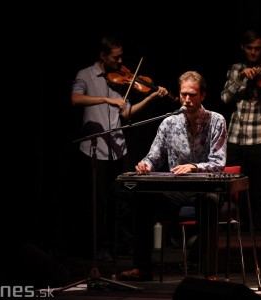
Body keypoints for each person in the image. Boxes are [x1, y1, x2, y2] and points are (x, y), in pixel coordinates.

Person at [118, 70, 228, 281]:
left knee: (210, 203)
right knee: (141, 199)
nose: (187, 99)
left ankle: (209, 273)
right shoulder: (169, 122)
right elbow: (153, 156)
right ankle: (142, 268)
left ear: (202, 95)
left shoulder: (216, 121)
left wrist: (194, 167)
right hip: (176, 190)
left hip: (203, 189)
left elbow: (217, 164)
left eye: (192, 95)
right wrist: (145, 165)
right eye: (183, 94)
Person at [70, 35, 169, 259]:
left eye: (121, 56)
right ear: (103, 55)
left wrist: (151, 96)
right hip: (94, 149)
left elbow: (125, 112)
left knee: (124, 201)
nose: (121, 61)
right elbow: (75, 99)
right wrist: (106, 100)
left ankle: (123, 249)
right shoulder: (85, 75)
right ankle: (99, 249)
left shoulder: (120, 80)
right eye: (116, 57)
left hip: (118, 148)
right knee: (98, 204)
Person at [221, 29, 261, 232]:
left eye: (257, 49)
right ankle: (231, 236)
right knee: (231, 191)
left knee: (258, 191)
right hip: (235, 137)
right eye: (249, 48)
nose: (254, 53)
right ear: (243, 47)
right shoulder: (235, 69)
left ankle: (258, 237)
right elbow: (224, 98)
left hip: (260, 138)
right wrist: (240, 78)